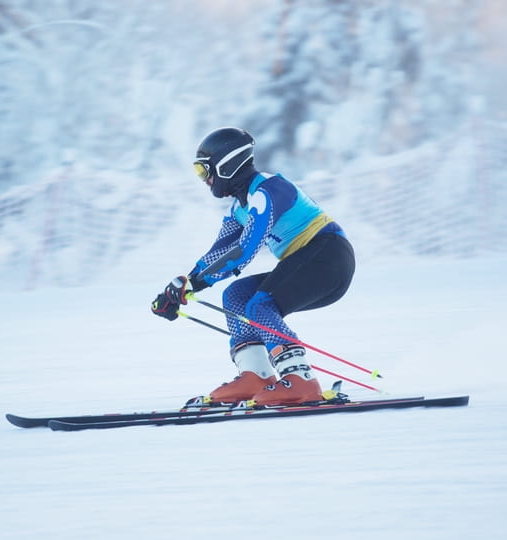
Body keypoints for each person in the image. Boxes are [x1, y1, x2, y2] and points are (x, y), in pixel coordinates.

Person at [151, 127, 355, 406]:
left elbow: (245, 249)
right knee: (236, 296)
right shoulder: (239, 208)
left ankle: (301, 379)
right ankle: (256, 375)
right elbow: (220, 251)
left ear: (226, 165)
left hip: (329, 257)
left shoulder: (269, 190)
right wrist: (183, 287)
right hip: (309, 261)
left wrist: (194, 283)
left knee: (260, 306)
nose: (204, 180)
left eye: (203, 171)